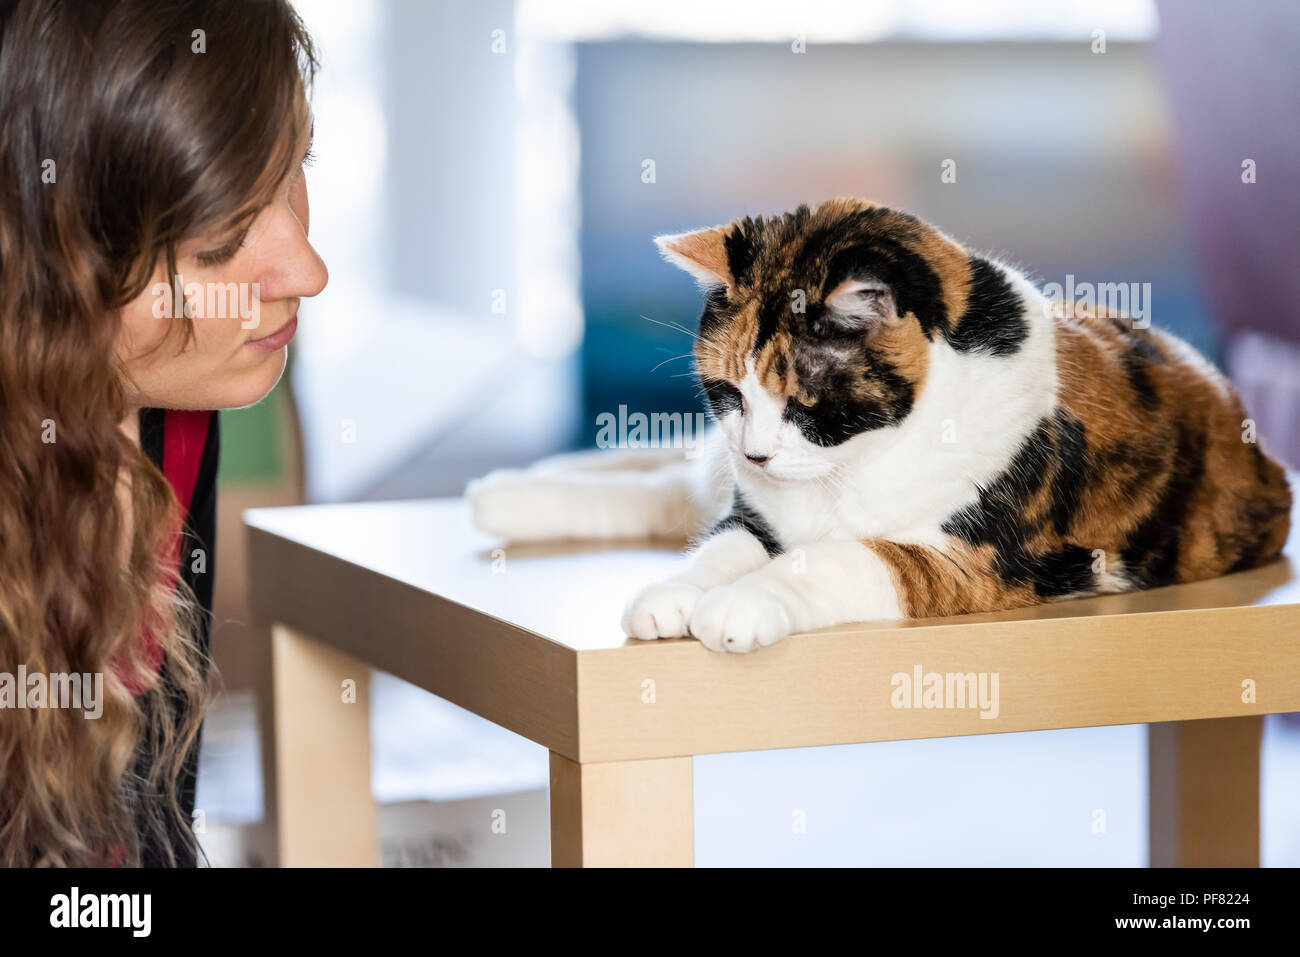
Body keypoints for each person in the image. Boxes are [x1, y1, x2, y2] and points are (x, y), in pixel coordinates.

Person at [0, 0, 327, 866]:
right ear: (49, 264)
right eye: (222, 241)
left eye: (297, 170)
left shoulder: (176, 414)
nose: (309, 271)